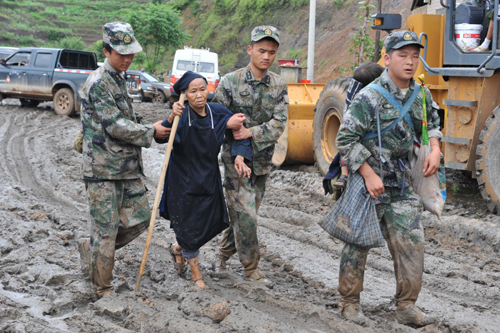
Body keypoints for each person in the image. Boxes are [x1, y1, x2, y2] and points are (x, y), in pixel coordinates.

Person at [335, 30, 442, 326]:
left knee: (411, 244)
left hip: (402, 182)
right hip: (368, 183)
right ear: (386, 58)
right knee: (357, 244)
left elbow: (432, 123)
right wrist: (367, 174)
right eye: (402, 55)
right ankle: (349, 303)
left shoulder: (421, 94)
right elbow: (344, 139)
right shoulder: (369, 96)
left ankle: (406, 306)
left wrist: (435, 148)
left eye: (415, 56)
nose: (410, 62)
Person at [77, 22, 170, 298]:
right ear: (106, 51)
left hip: (125, 167)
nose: (128, 59)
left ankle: (93, 248)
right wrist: (150, 131)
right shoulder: (98, 82)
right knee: (105, 232)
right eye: (122, 53)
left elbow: (128, 117)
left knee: (142, 218)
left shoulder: (118, 77)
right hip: (103, 170)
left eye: (131, 54)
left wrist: (158, 125)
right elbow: (115, 124)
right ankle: (102, 290)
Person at [157, 71, 251, 289]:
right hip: (182, 179)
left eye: (203, 89)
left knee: (212, 222)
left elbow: (239, 128)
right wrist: (171, 117)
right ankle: (196, 273)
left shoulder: (216, 112)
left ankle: (179, 248)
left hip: (208, 177)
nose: (199, 95)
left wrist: (239, 155)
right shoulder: (181, 116)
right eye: (193, 91)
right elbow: (163, 134)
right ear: (185, 95)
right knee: (188, 224)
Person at [213, 26, 289, 283]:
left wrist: (251, 133)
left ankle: (222, 255)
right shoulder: (230, 82)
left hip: (262, 162)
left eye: (271, 52)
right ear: (250, 50)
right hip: (234, 161)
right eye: (261, 50)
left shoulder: (279, 84)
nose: (266, 56)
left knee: (244, 215)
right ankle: (251, 270)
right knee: (246, 215)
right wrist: (236, 136)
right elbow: (216, 120)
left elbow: (280, 122)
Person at [333, 62, 385, 190]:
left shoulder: (356, 92)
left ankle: (343, 176)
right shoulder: (367, 99)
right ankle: (344, 175)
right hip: (363, 147)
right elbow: (345, 140)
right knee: (348, 141)